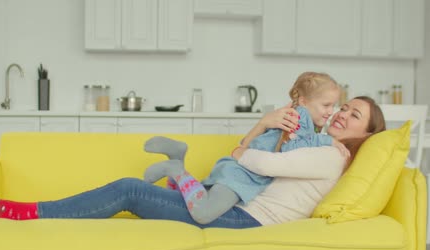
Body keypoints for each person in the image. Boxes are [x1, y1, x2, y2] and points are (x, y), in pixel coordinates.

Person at [0, 96, 386, 229]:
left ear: (366, 135)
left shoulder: (330, 157)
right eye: (343, 108)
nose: (340, 115)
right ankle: (178, 167)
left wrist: (244, 151)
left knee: (129, 189)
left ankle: (23, 213)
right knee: (130, 189)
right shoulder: (321, 145)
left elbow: (265, 164)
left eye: (353, 116)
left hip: (246, 220)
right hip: (239, 206)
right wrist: (261, 130)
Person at [143, 71, 347, 223]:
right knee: (203, 213)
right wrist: (328, 141)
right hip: (243, 177)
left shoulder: (292, 115)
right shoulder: (300, 118)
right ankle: (176, 170)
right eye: (326, 105)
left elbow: (255, 145)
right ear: (303, 101)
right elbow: (291, 149)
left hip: (238, 170)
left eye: (333, 105)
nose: (331, 111)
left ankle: (176, 158)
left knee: (186, 199)